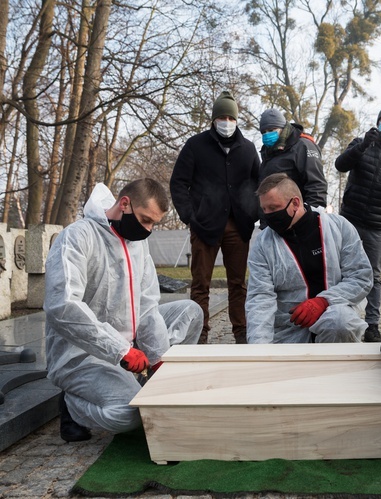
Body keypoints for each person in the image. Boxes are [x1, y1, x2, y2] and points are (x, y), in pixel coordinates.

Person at [45, 180, 203, 442]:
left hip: (127, 342)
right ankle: (72, 405)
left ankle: (142, 381)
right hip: (81, 353)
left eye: (153, 224)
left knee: (191, 311)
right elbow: (62, 306)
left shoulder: (136, 243)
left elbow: (147, 304)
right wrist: (120, 350)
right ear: (125, 204)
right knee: (129, 414)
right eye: (145, 220)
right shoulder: (77, 237)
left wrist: (159, 357)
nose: (148, 230)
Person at [170, 91, 260, 344]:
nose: (226, 121)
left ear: (237, 120)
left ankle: (241, 334)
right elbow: (178, 183)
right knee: (200, 284)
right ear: (213, 119)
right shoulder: (195, 145)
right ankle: (199, 335)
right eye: (221, 116)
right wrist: (189, 216)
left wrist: (251, 213)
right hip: (205, 226)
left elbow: (259, 183)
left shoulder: (248, 148)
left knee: (238, 284)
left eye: (230, 117)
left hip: (238, 226)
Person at [246, 173, 373, 344]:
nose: (268, 215)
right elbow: (260, 298)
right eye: (264, 209)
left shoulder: (338, 227)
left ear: (295, 203)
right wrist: (259, 349)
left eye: (274, 208)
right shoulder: (263, 245)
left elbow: (360, 277)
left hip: (334, 319)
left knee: (340, 322)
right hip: (288, 329)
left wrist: (323, 301)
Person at [335, 106, 381, 342]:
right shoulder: (361, 142)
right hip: (351, 217)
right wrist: (364, 145)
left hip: (379, 224)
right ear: (377, 122)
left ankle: (372, 324)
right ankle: (340, 313)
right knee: (343, 268)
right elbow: (340, 165)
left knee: (375, 275)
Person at [258, 109, 327, 208]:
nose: (267, 134)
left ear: (282, 128)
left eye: (271, 130)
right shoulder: (267, 153)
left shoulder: (303, 146)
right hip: (273, 216)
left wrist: (313, 215)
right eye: (263, 132)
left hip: (297, 214)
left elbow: (316, 185)